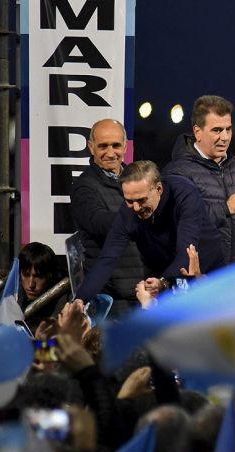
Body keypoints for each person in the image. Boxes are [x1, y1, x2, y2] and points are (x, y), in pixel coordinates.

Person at [75, 161, 224, 302]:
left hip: (206, 270)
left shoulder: (183, 194)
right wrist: (80, 299)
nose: (136, 208)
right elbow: (107, 260)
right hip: (161, 274)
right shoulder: (128, 213)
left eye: (142, 200)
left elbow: (186, 252)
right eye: (129, 201)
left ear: (159, 189)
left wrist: (164, 282)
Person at [163, 95, 235, 266]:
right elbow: (177, 223)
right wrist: (226, 208)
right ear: (197, 132)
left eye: (228, 129)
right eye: (217, 130)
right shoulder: (176, 172)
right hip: (199, 280)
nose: (225, 137)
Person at [69, 119, 144, 313]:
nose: (110, 153)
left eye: (116, 145)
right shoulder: (83, 187)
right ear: (91, 147)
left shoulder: (138, 180)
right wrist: (143, 212)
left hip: (143, 291)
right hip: (111, 300)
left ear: (126, 146)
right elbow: (98, 222)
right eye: (103, 146)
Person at [17, 242, 69, 331]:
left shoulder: (65, 304)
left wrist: (38, 343)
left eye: (38, 276)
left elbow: (58, 343)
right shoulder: (10, 296)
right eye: (26, 275)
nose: (31, 284)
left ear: (50, 275)